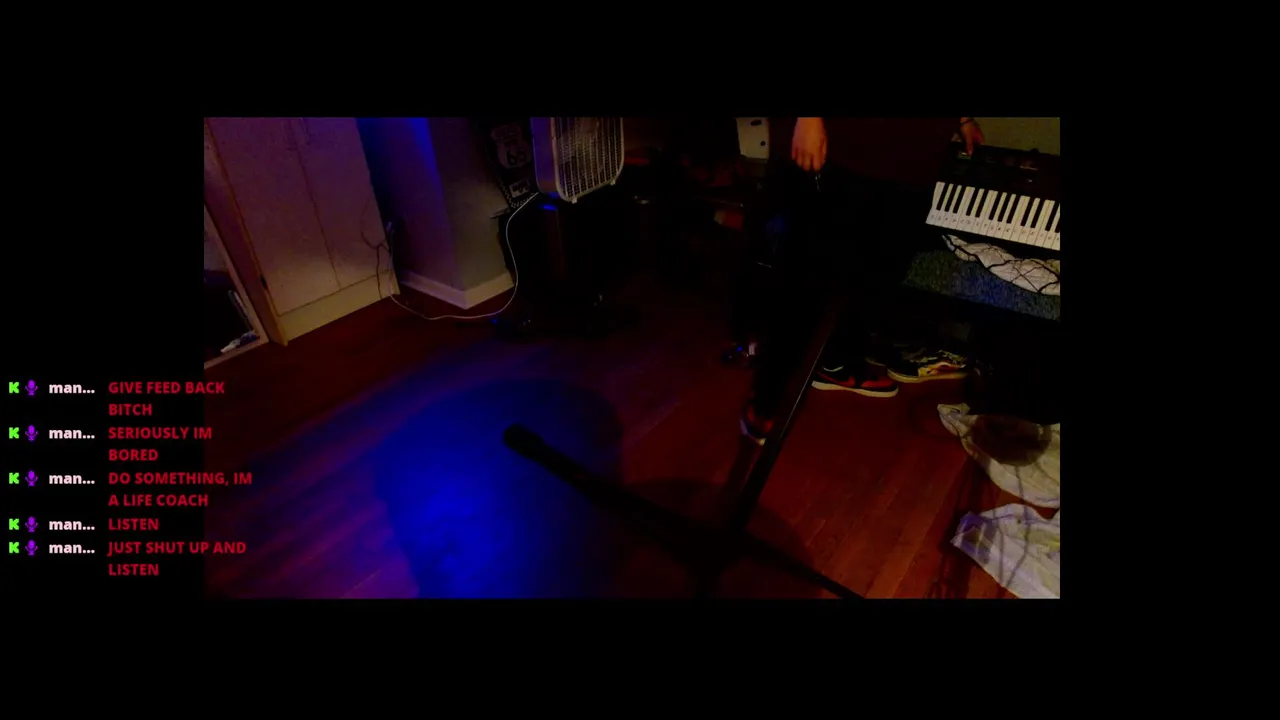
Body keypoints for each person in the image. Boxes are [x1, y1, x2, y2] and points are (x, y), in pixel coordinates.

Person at [740, 117, 984, 445]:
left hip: (915, 160)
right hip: (844, 149)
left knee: (879, 276)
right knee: (806, 281)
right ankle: (768, 398)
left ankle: (835, 362)